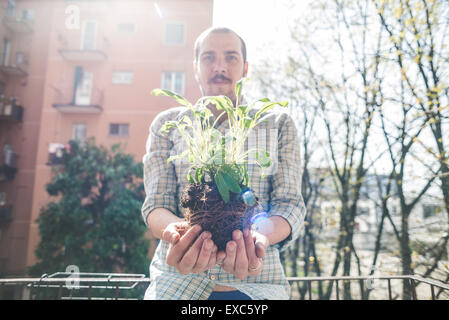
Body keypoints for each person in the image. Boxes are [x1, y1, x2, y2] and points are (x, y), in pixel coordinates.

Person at [141, 26, 306, 300]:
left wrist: (259, 237)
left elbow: (289, 204)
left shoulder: (278, 123)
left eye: (231, 57)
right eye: (208, 57)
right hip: (176, 286)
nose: (219, 66)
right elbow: (156, 204)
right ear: (195, 67)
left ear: (245, 67)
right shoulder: (167, 125)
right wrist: (176, 233)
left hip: (259, 285)